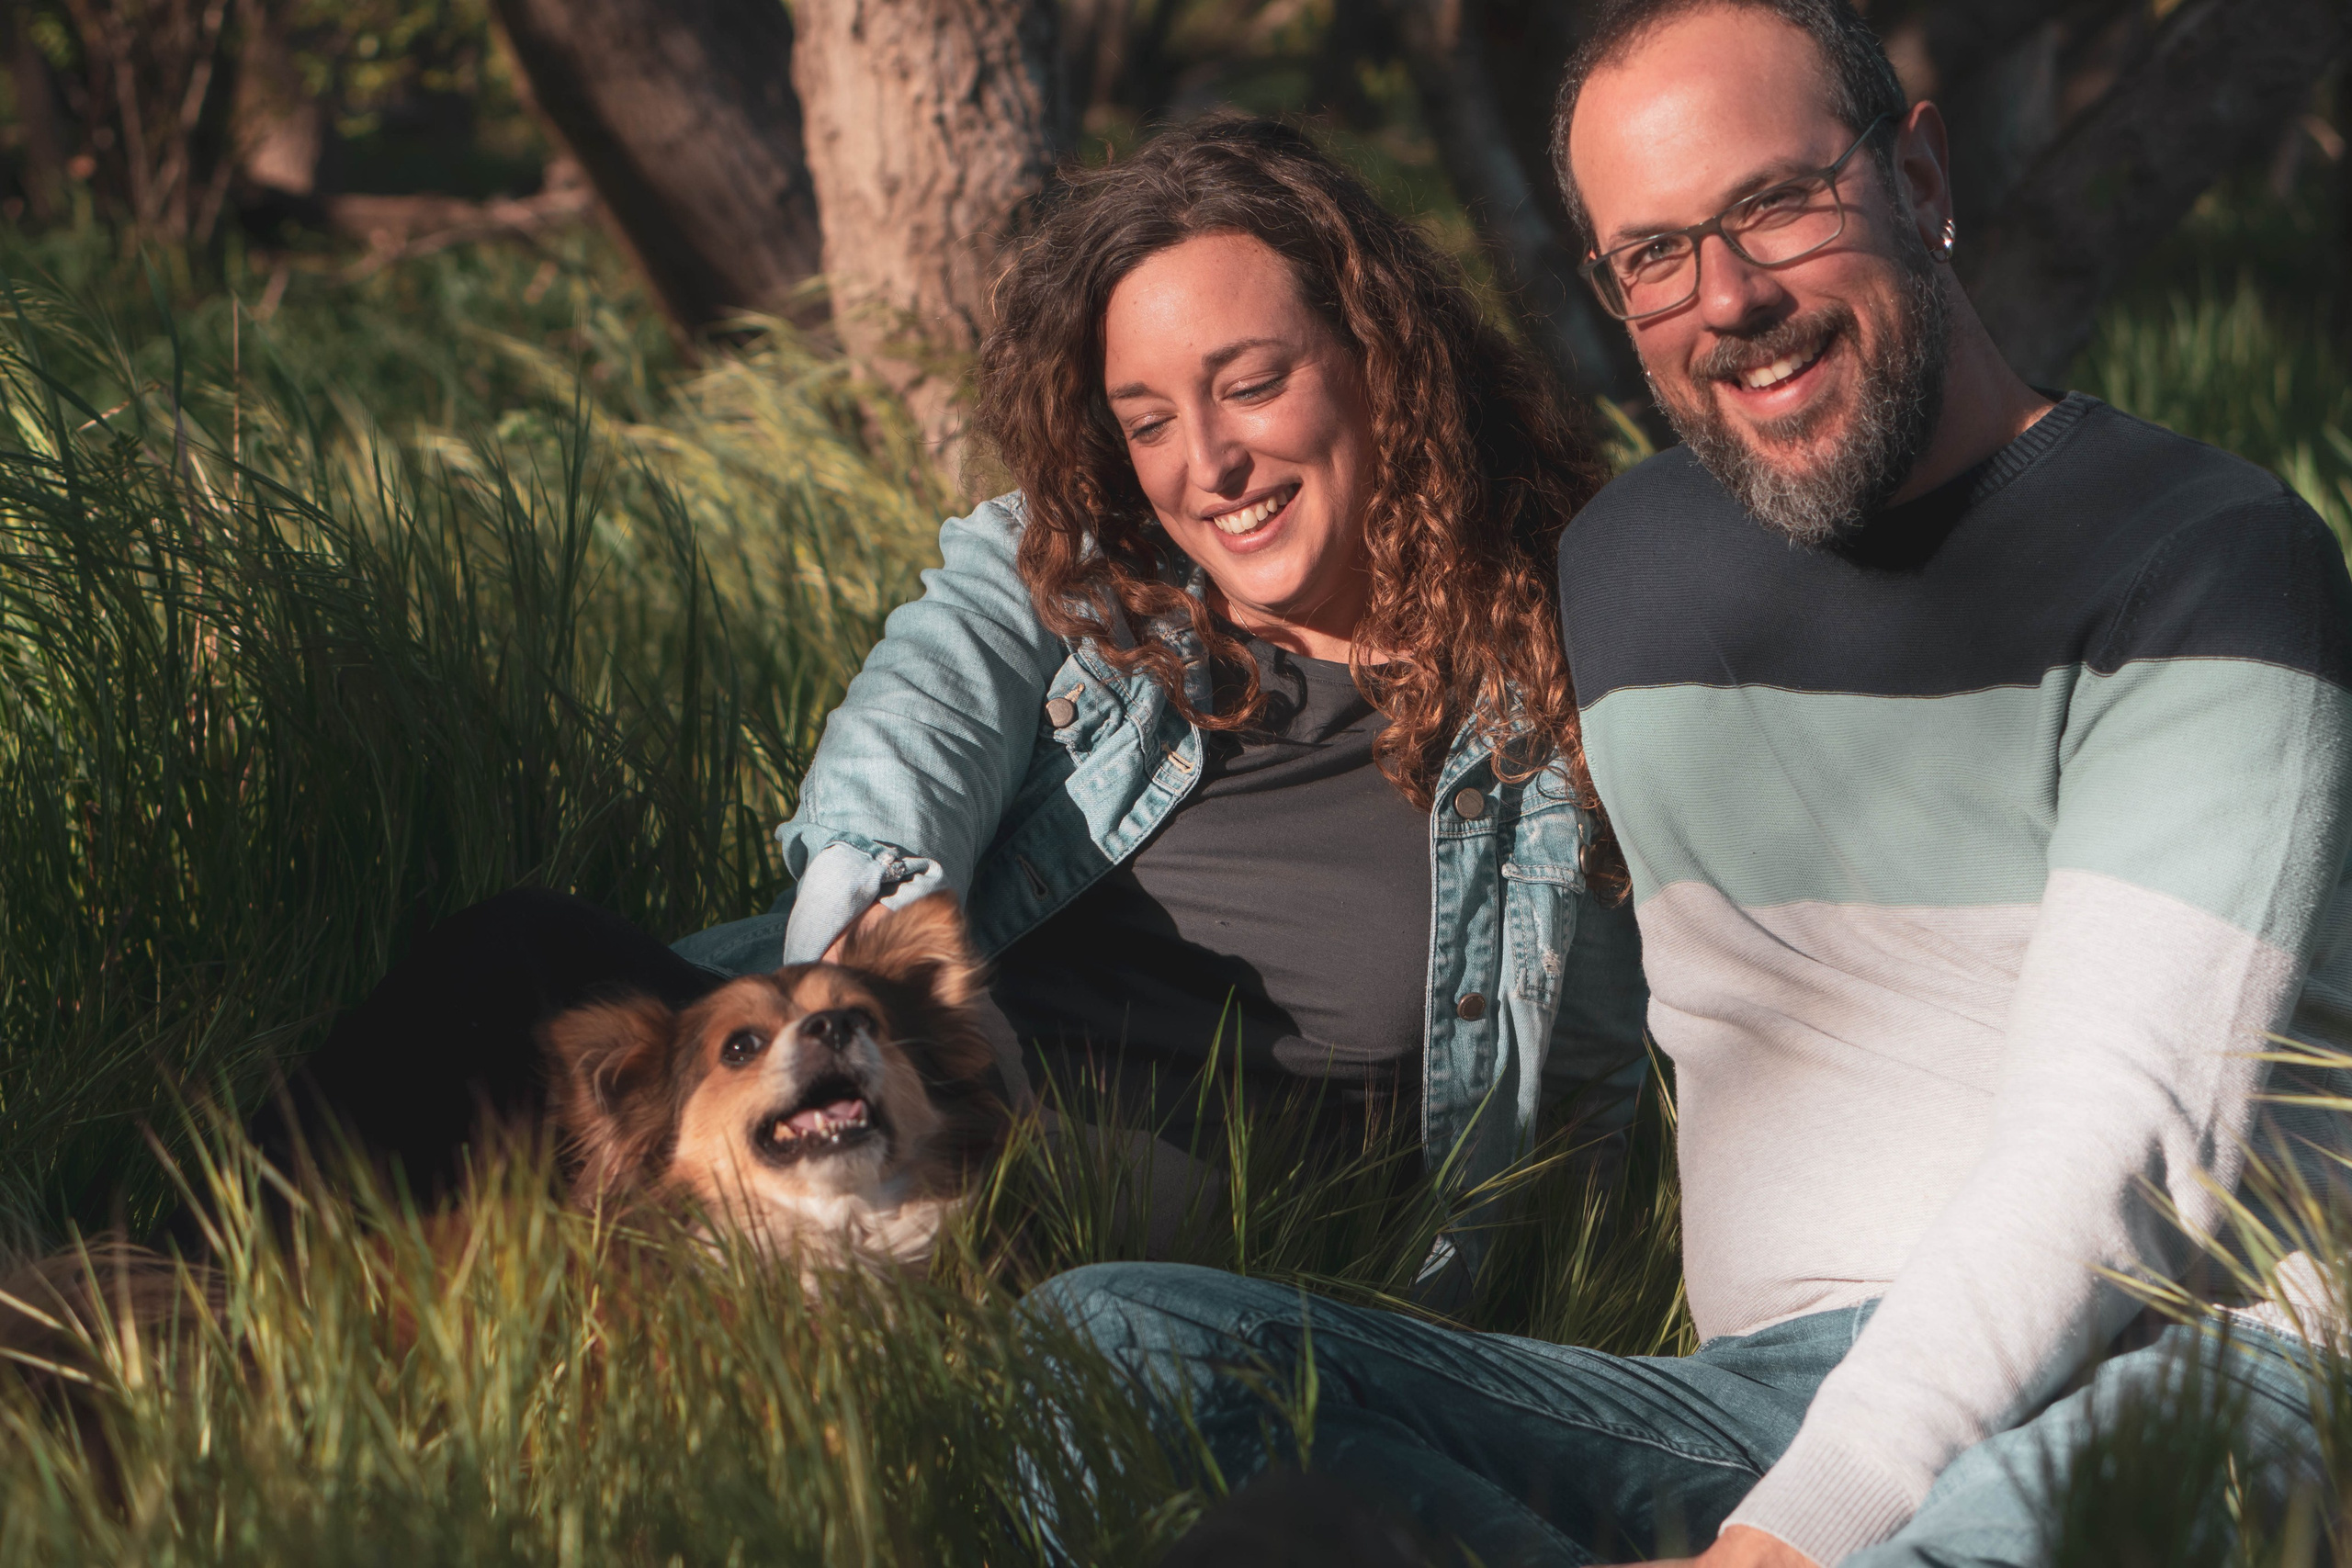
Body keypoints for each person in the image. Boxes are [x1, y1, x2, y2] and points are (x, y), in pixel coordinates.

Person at [1032, 4, 2352, 1565]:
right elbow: (1133, 557)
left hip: (2195, 1339)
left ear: (1922, 175)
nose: (1729, 298)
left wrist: (1791, 1540)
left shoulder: (2207, 565)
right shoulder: (1615, 572)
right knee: (1110, 1348)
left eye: (1778, 204)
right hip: (1763, 1405)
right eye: (1653, 255)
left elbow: (2125, 1156)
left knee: (1972, 1536)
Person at [279, 118, 1649, 1261]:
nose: (1209, 466)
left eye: (1252, 385)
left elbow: (1635, 1063)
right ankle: (164, 1322)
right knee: (516, 959)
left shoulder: (1567, 670)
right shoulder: (1069, 568)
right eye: (1151, 420)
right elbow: (909, 740)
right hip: (890, 1087)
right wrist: (853, 979)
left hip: (1160, 1227)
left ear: (1384, 361)